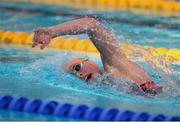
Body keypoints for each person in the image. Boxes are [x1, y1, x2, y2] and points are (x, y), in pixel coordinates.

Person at [32, 17, 162, 95]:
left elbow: (91, 24)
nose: (80, 74)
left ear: (92, 63)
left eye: (77, 67)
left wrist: (52, 32)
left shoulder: (116, 66)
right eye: (74, 75)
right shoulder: (108, 86)